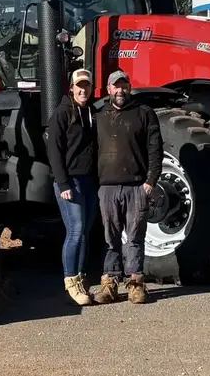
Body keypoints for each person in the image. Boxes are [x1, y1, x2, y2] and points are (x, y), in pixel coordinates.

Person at [93, 70, 164, 305]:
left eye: (124, 86)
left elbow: (155, 149)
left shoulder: (144, 114)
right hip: (107, 187)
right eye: (116, 86)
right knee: (109, 238)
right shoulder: (99, 115)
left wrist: (150, 181)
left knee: (134, 237)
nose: (120, 90)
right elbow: (89, 151)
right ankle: (109, 283)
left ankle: (135, 284)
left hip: (136, 186)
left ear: (129, 88)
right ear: (108, 90)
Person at [45, 68, 100, 306]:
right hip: (70, 182)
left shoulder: (91, 112)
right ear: (71, 87)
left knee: (86, 231)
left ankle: (81, 276)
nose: (83, 90)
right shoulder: (62, 113)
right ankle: (70, 280)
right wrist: (63, 182)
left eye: (86, 85)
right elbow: (54, 151)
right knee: (75, 231)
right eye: (79, 85)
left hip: (89, 181)